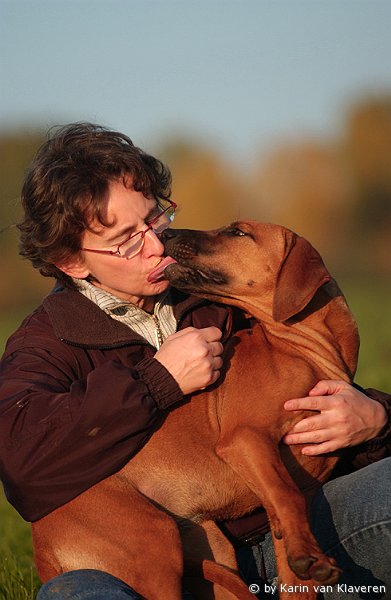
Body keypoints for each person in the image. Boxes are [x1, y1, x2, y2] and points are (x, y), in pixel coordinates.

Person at [0, 122, 389, 600]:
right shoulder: (45, 345)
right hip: (134, 553)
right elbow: (21, 462)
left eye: (155, 218)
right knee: (80, 594)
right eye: (127, 239)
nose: (156, 244)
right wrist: (158, 381)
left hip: (279, 539)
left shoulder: (220, 295)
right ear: (72, 262)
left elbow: (286, 393)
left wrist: (379, 418)